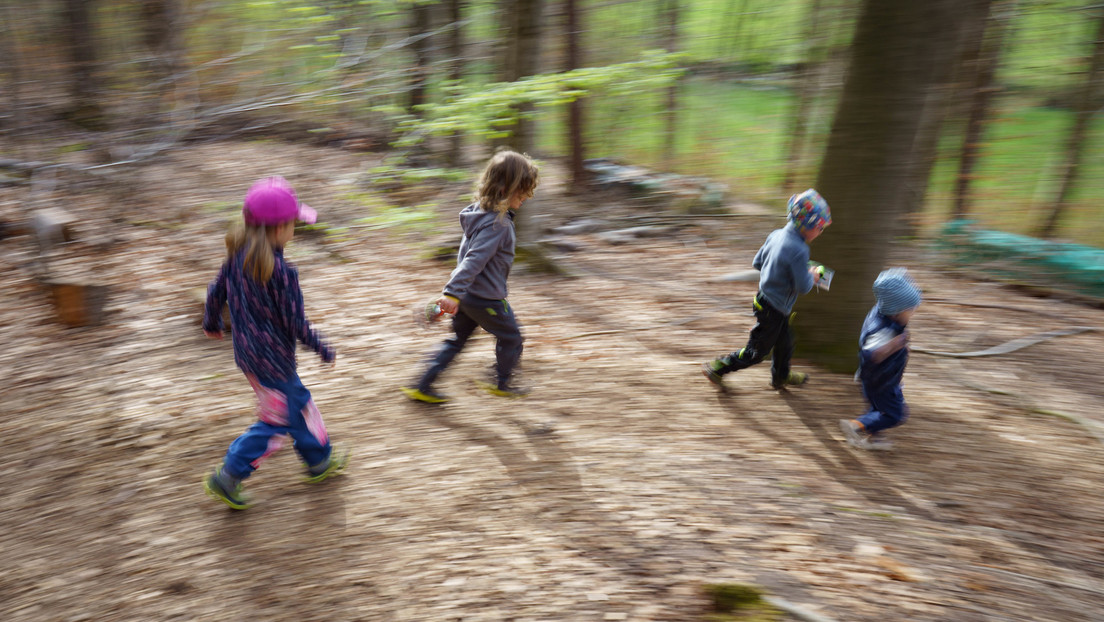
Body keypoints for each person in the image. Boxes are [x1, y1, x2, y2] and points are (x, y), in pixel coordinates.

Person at [201, 176, 347, 510]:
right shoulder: (283, 274)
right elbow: (295, 324)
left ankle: (319, 461)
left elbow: (214, 292)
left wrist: (211, 322)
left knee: (299, 406)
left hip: (249, 357)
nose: (296, 229)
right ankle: (228, 476)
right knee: (276, 422)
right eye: (294, 224)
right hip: (274, 362)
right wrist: (322, 348)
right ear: (279, 228)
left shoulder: (236, 260)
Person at [401, 150, 540, 404]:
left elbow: (469, 258)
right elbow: (473, 259)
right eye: (522, 191)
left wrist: (455, 294)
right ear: (505, 188)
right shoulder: (499, 224)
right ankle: (501, 382)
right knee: (512, 337)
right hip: (486, 298)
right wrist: (451, 293)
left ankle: (423, 385)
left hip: (467, 296)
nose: (526, 197)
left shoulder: (478, 213)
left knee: (457, 339)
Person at [702, 189, 831, 390]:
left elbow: (758, 262)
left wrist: (783, 271)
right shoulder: (800, 250)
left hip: (764, 299)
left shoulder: (776, 234)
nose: (821, 232)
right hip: (775, 309)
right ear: (807, 226)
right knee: (757, 353)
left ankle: (780, 376)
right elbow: (804, 286)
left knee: (786, 342)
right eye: (820, 228)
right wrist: (813, 275)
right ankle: (718, 367)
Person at [839, 268, 921, 451]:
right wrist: (895, 345)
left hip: (882, 378)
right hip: (880, 382)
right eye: (911, 310)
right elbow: (871, 354)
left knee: (877, 409)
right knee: (895, 414)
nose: (913, 312)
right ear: (896, 311)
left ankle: (873, 438)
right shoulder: (882, 331)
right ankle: (855, 426)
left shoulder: (884, 312)